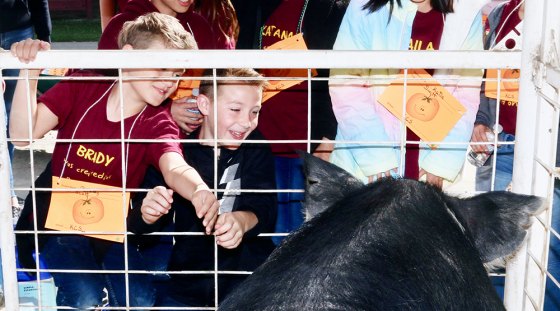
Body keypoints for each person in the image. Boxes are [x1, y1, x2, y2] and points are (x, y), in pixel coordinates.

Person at [10, 13, 219, 309]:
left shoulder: (158, 121)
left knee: (141, 300)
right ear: (128, 56)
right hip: (54, 227)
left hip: (110, 232)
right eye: (161, 67)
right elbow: (22, 134)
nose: (169, 81)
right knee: (86, 298)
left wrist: (198, 189)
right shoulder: (83, 86)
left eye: (177, 73)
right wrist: (28, 72)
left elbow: (175, 167)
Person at [194, 0, 348, 245]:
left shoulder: (331, 8)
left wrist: (328, 138)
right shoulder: (252, 5)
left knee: (299, 240)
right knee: (260, 234)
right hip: (256, 142)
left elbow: (336, 78)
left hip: (305, 146)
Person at [129, 68, 277, 308]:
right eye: (235, 109)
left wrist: (241, 221)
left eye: (255, 111)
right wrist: (147, 214)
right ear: (204, 105)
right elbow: (137, 229)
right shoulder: (173, 154)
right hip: (188, 282)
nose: (246, 121)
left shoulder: (256, 145)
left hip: (250, 280)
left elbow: (265, 209)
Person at [329, 0, 487, 188]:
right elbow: (347, 84)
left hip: (429, 163)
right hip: (368, 164)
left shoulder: (465, 14)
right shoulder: (364, 7)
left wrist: (442, 161)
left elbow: (467, 92)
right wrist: (376, 156)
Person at [1, 0, 51, 217]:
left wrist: (45, 37)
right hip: (19, 31)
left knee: (10, 119)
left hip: (19, 33)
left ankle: (7, 192)